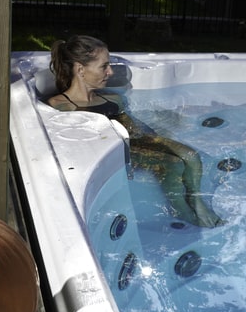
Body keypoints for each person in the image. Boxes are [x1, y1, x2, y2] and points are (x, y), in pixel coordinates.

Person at [47, 35, 224, 227]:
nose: (111, 72)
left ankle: (197, 203)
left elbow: (136, 132)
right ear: (80, 69)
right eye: (104, 66)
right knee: (172, 163)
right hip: (112, 151)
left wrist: (164, 137)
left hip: (134, 142)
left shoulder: (113, 100)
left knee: (190, 155)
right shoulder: (61, 107)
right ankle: (181, 211)